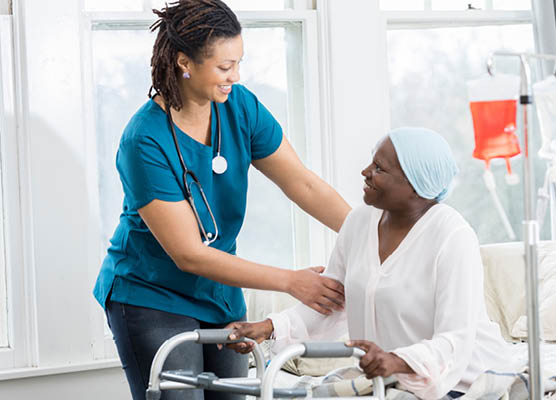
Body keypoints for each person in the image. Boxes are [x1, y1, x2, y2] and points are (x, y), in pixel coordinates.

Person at [92, 1, 350, 399]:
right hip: (151, 294)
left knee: (234, 394)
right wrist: (291, 282)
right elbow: (189, 255)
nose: (236, 77)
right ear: (184, 63)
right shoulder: (144, 139)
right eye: (225, 68)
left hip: (219, 292)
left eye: (239, 64)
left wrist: (366, 234)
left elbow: (304, 185)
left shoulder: (240, 107)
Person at [226, 127, 514, 399]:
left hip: (463, 380)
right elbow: (331, 299)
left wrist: (398, 360)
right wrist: (269, 327)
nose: (365, 172)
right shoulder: (359, 222)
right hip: (389, 377)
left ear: (415, 186)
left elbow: (455, 339)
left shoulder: (452, 236)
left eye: (379, 169)